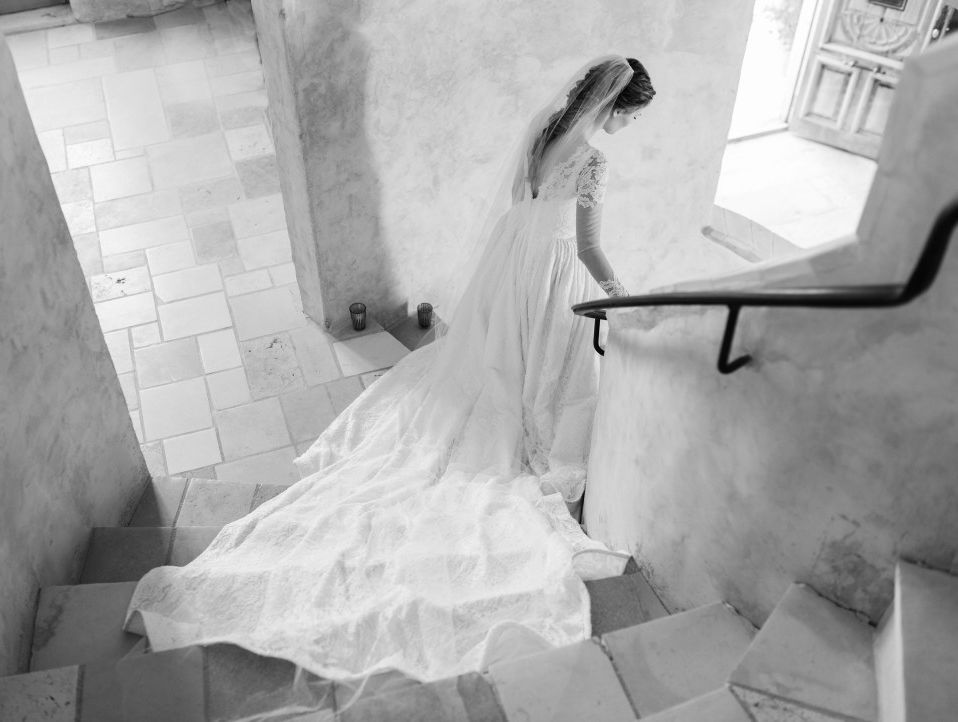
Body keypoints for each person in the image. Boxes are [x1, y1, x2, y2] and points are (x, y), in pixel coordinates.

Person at [125, 55, 655, 689]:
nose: (629, 127)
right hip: (551, 267)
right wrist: (622, 296)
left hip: (514, 255)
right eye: (633, 116)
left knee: (496, 354)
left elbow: (524, 200)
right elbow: (589, 246)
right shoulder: (594, 161)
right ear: (616, 105)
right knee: (533, 364)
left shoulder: (546, 128)